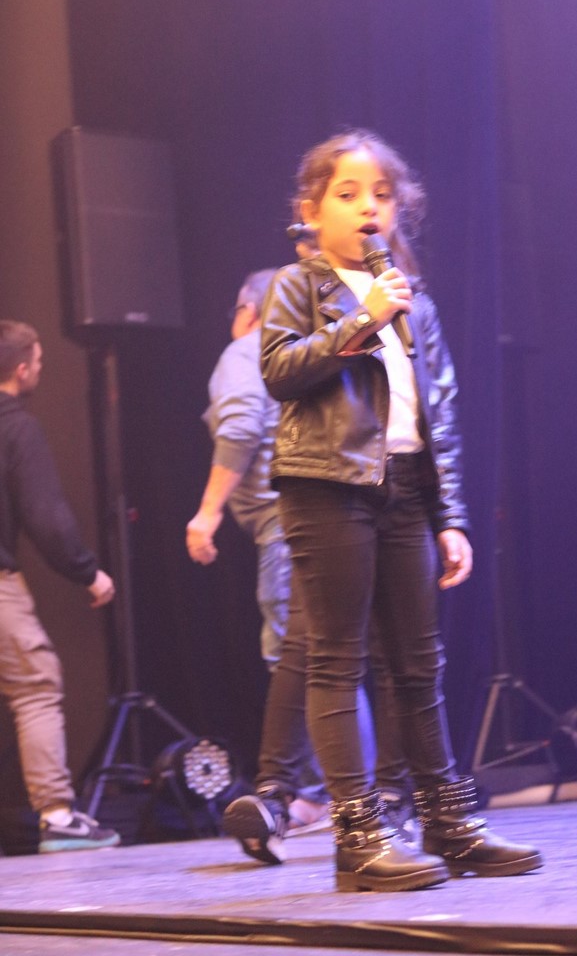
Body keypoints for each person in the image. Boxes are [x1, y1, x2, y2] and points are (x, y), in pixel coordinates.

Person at [258, 129, 543, 892]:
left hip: (406, 492)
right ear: (311, 209)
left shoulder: (415, 303)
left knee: (418, 668)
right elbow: (280, 371)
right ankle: (357, 837)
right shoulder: (298, 285)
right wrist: (362, 320)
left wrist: (451, 518)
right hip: (327, 486)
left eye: (381, 195)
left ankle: (447, 824)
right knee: (336, 660)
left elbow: (436, 414)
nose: (368, 208)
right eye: (348, 193)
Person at [187, 268, 415, 864]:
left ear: (248, 310)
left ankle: (340, 799)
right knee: (321, 652)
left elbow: (241, 426)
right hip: (337, 507)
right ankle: (309, 794)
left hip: (303, 515)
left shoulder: (247, 349)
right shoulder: (343, 337)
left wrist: (207, 512)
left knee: (322, 658)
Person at [0, 320, 121, 853]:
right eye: (40, 362)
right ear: (22, 368)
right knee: (36, 684)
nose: (40, 370)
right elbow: (45, 516)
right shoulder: (16, 427)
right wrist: (87, 571)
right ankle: (57, 814)